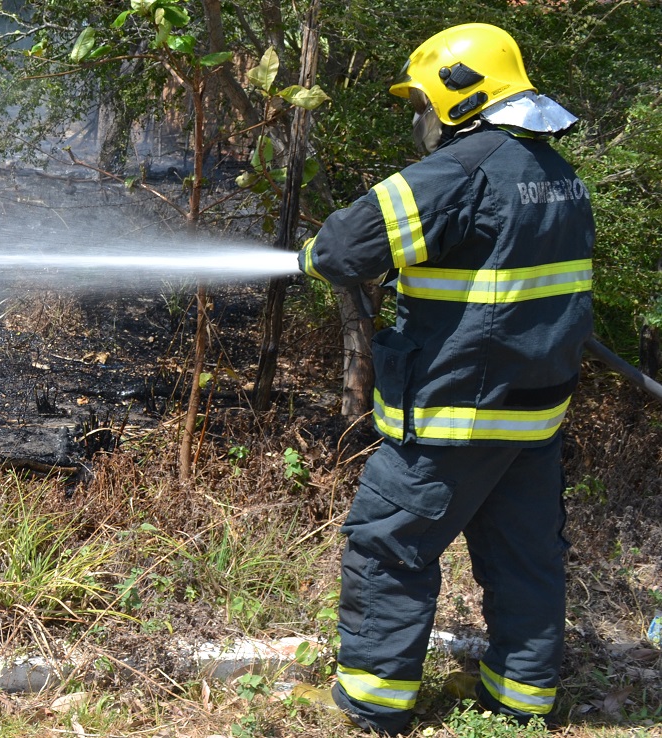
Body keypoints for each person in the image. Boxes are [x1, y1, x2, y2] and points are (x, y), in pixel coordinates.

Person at [294, 23, 593, 734]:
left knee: (387, 545)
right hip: (534, 415)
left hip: (459, 411)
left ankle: (374, 704)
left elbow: (345, 247)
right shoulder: (555, 172)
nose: (421, 118)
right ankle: (521, 705)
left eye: (424, 101)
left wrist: (313, 255)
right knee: (524, 559)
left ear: (462, 92)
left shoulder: (465, 168)